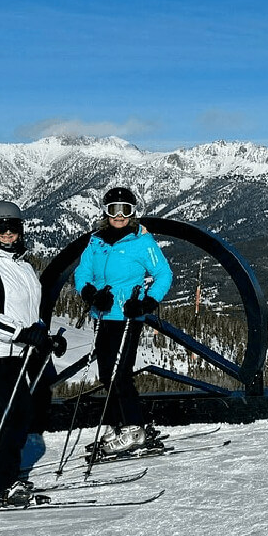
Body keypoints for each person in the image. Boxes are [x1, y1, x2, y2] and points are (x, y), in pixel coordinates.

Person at [0, 201, 66, 506]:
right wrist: (20, 334)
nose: (7, 234)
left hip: (19, 354)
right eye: (0, 229)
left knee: (0, 415)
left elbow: (31, 314)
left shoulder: (24, 266)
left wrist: (44, 339)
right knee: (19, 411)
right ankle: (0, 484)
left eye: (13, 228)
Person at [74, 187, 172, 456]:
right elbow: (82, 273)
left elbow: (163, 274)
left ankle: (134, 428)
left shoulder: (142, 242)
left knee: (120, 372)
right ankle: (119, 424)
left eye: (125, 210)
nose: (119, 216)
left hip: (128, 316)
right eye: (114, 210)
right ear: (106, 212)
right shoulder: (96, 242)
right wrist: (91, 294)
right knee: (107, 373)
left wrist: (147, 302)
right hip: (104, 315)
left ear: (133, 212)